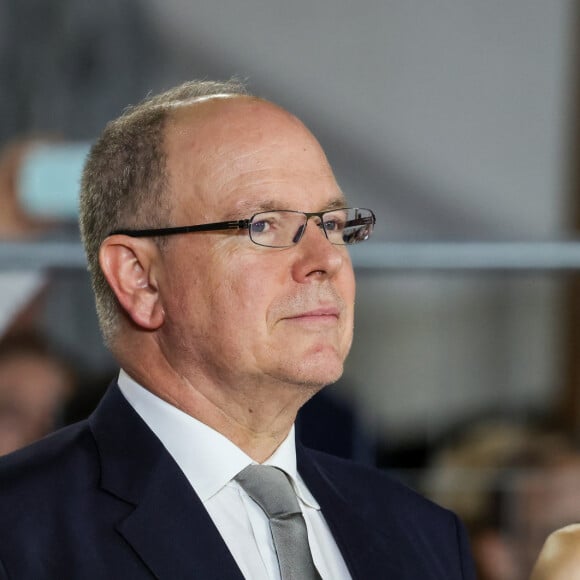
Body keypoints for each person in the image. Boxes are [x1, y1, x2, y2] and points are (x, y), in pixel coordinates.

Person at [0, 79, 475, 579]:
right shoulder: (19, 535)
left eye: (333, 224)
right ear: (141, 279)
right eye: (264, 224)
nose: (326, 260)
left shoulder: (423, 535)